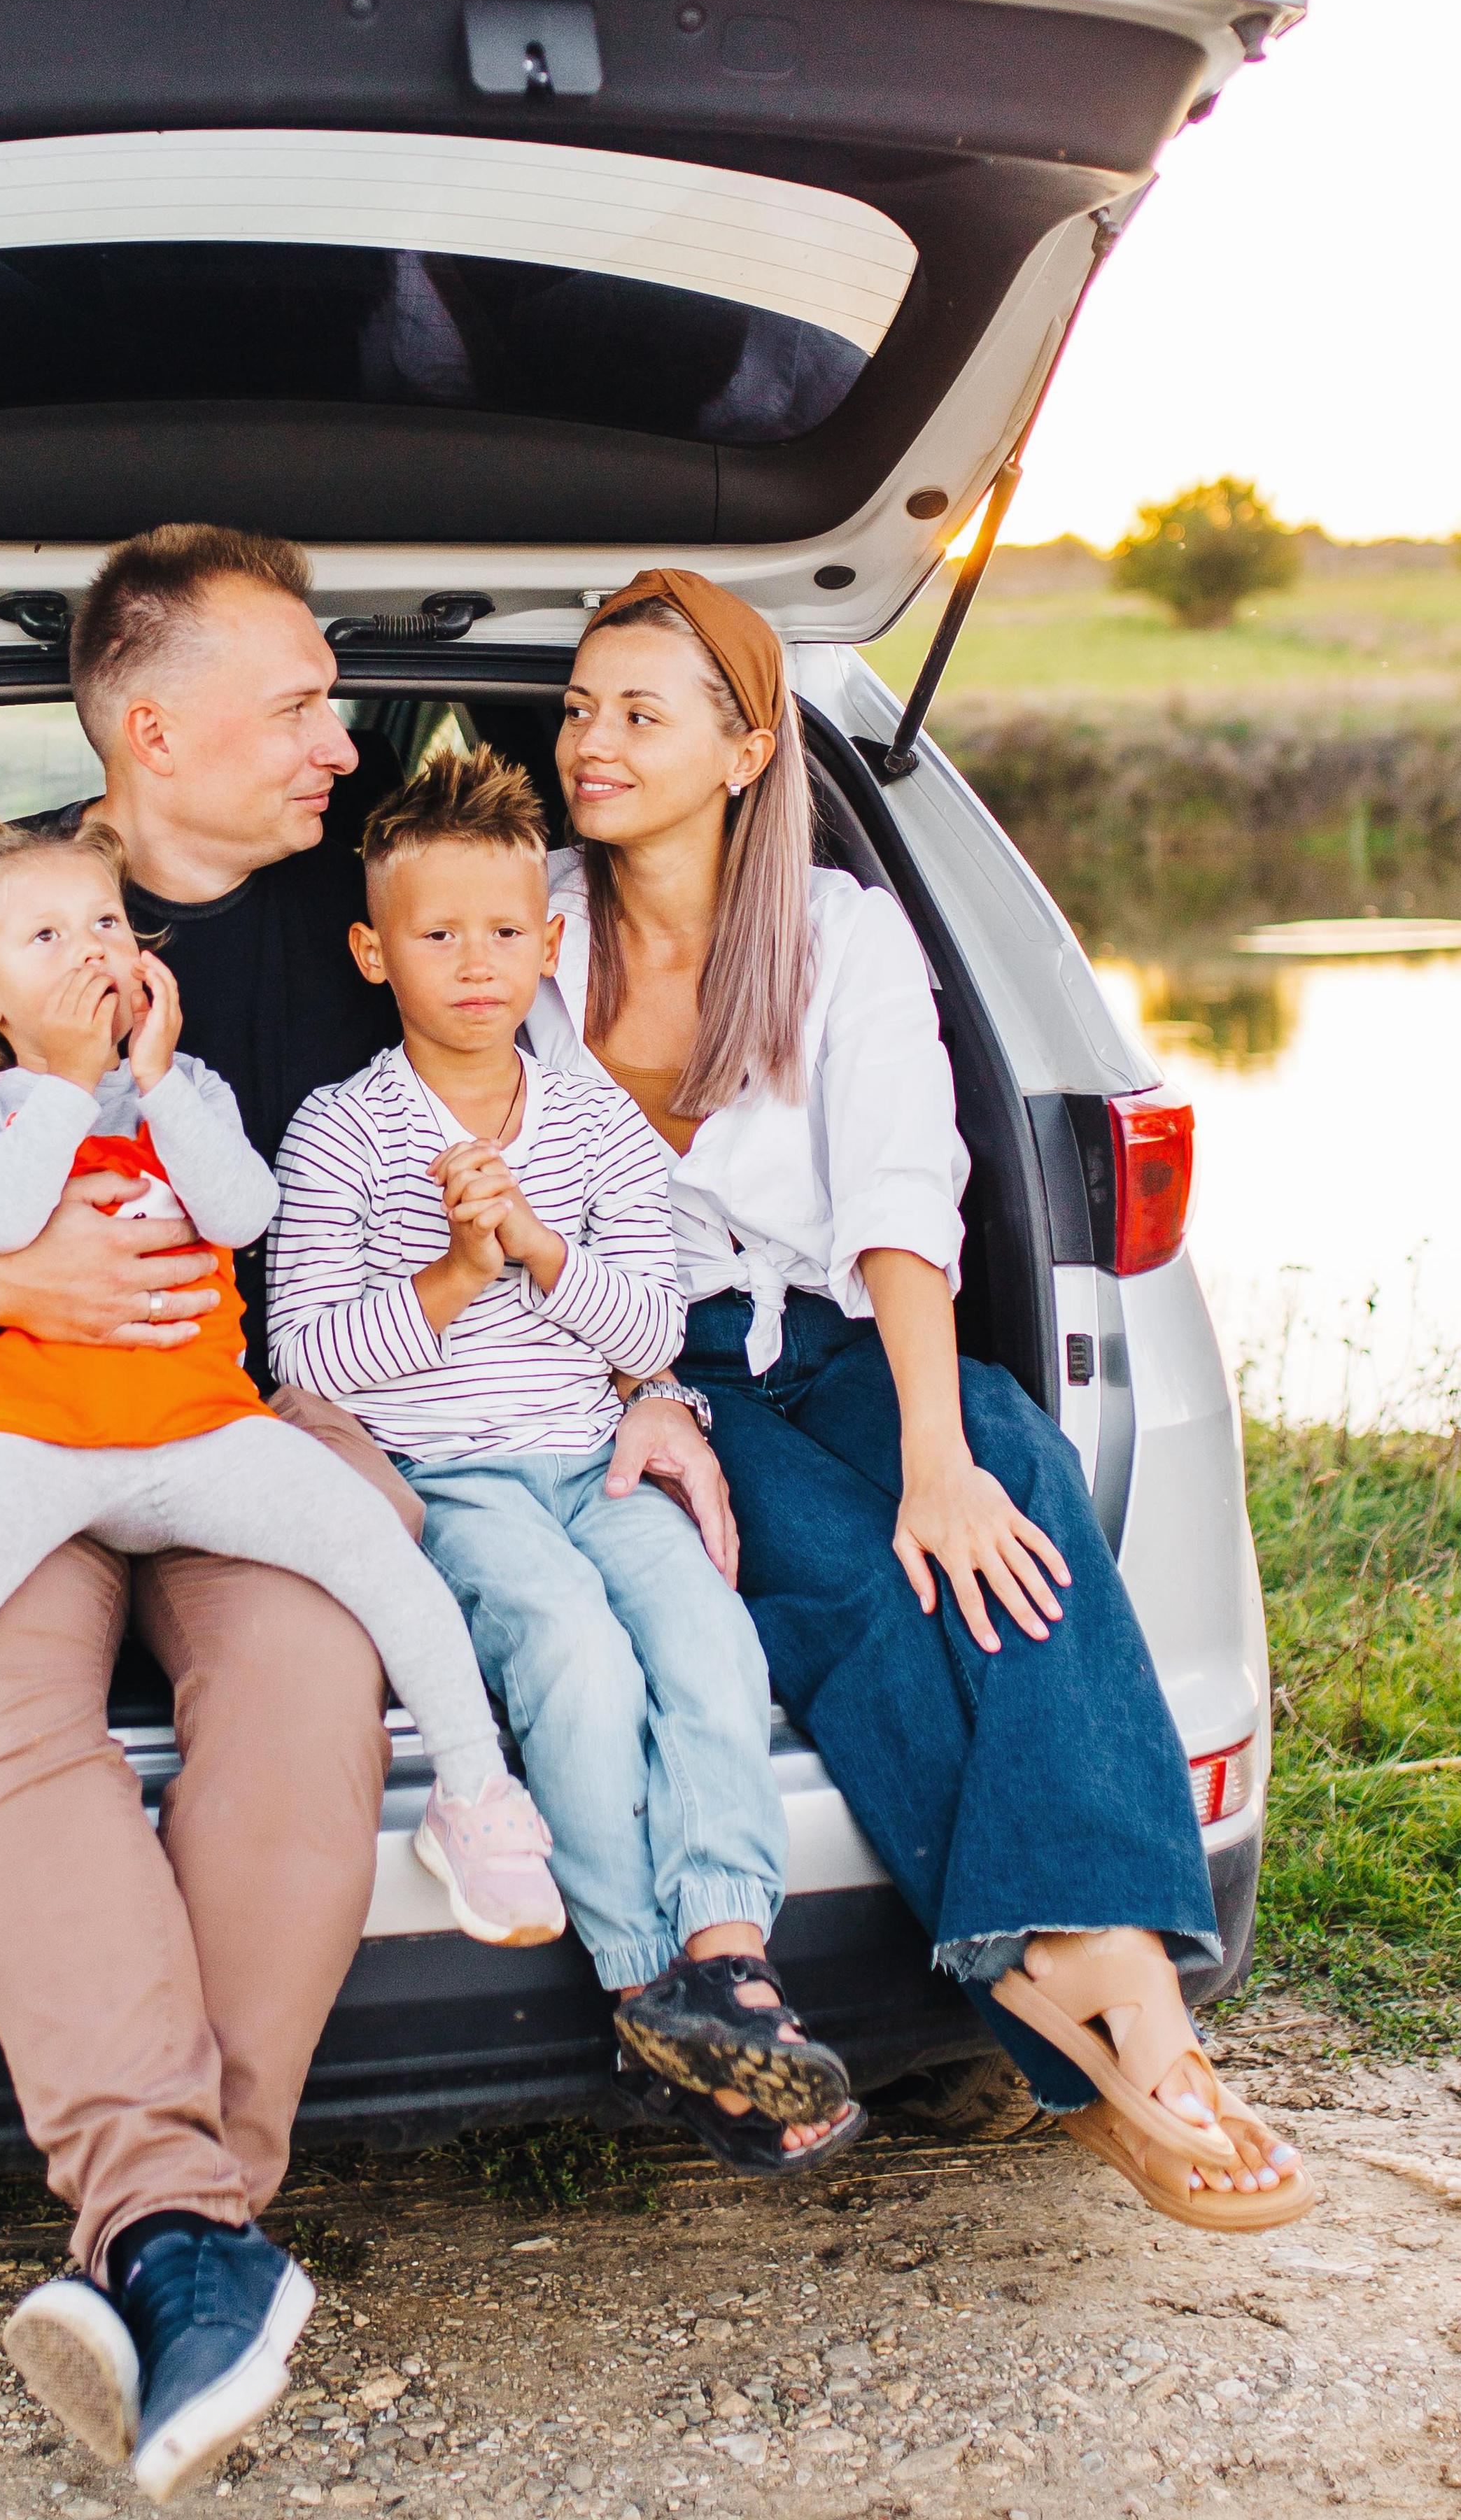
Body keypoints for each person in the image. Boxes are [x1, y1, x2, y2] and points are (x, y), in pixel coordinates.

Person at [0, 524, 730, 2503]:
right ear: (151, 731)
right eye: (300, 706)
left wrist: (648, 1382)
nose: (339, 742)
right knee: (4, 1713)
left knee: (306, 1698)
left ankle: (175, 2243)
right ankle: (183, 2228)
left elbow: (561, 1163)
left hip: (248, 1415)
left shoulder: (364, 923)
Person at [523, 565, 1316, 2236]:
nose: (591, 741)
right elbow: (520, 1187)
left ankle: (1106, 1994)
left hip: (839, 1326)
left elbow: (899, 1195)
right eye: (582, 708)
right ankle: (1101, 2020)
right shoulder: (532, 928)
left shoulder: (840, 930)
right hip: (644, 1360)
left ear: (746, 750)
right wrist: (634, 1385)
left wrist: (938, 1454)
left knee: (1003, 1490)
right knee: (851, 1587)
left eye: (639, 713)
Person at [0, 810, 561, 2006]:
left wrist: (155, 1084)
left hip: (199, 1434)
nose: (89, 948)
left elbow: (244, 1212)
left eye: (104, 922)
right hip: (28, 1437)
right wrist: (66, 1087)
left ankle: (475, 1793)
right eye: (45, 937)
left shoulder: (188, 1089)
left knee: (384, 1561)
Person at [267, 746, 862, 2173]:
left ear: (548, 943)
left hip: (599, 1460)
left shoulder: (595, 1121)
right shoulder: (340, 1133)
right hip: (453, 1482)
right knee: (576, 1662)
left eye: (500, 932)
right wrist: (451, 1278)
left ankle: (733, 1967)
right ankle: (645, 1991)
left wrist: (535, 1246)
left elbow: (652, 1328)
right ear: (372, 953)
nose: (474, 964)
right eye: (434, 935)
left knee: (708, 1647)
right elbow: (304, 1365)